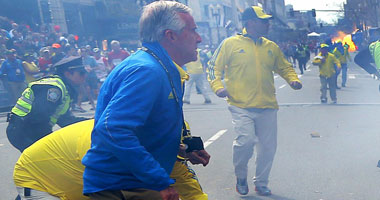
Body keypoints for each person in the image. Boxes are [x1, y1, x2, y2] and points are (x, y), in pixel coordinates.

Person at [82, 1, 207, 200]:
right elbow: (112, 128)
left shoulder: (164, 68)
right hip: (123, 186)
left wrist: (184, 148)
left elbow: (149, 128)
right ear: (170, 35)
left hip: (136, 182)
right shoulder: (148, 71)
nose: (199, 39)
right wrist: (158, 180)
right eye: (193, 31)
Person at [207, 6, 302, 196]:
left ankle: (261, 183)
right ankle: (241, 177)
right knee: (245, 142)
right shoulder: (230, 44)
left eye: (267, 20)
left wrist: (293, 79)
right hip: (240, 105)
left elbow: (284, 67)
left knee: (268, 148)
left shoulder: (271, 47)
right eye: (263, 20)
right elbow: (213, 67)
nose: (268, 24)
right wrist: (217, 87)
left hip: (267, 106)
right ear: (250, 22)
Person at [13, 119, 209, 200]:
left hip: (79, 180)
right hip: (39, 178)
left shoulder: (165, 153)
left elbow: (191, 191)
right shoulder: (111, 144)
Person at [6, 56, 88, 152]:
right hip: (23, 130)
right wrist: (51, 139)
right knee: (53, 159)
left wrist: (92, 122)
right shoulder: (54, 89)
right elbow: (39, 117)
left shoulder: (64, 89)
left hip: (29, 128)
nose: (85, 76)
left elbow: (66, 120)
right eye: (81, 73)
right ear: (68, 74)